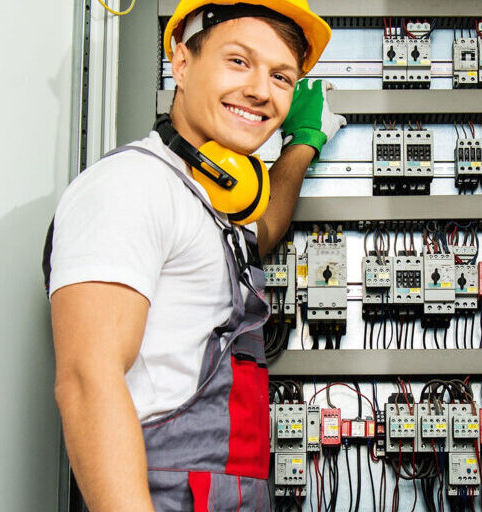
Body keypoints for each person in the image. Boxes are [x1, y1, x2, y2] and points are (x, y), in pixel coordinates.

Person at [44, 1, 345, 510]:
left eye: (281, 77)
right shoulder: (132, 186)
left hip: (229, 489)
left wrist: (303, 145)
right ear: (181, 64)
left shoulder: (211, 201)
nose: (260, 90)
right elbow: (86, 380)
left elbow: (263, 228)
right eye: (238, 61)